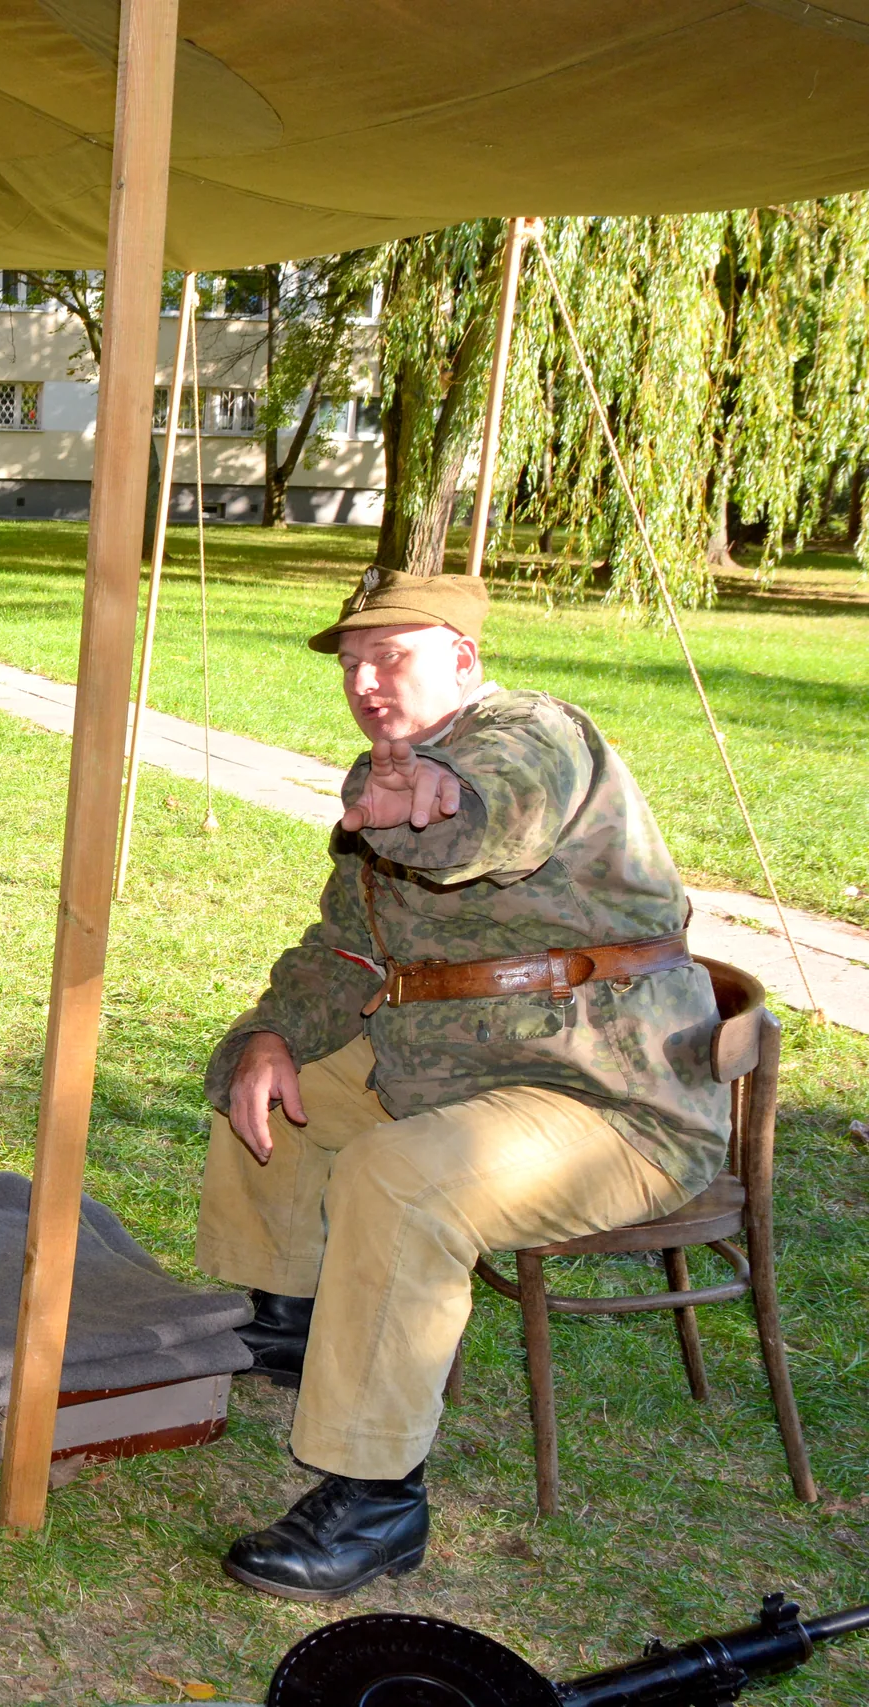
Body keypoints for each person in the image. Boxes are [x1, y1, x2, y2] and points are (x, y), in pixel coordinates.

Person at [197, 568, 725, 1600]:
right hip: (461, 1068)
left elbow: (498, 807)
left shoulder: (536, 735)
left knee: (400, 1180)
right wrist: (268, 1033)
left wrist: (440, 806)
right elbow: (344, 950)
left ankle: (376, 1501)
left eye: (392, 657)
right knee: (277, 1079)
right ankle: (294, 1319)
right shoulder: (381, 780)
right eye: (353, 664)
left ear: (465, 659)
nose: (365, 682)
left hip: (611, 1097)